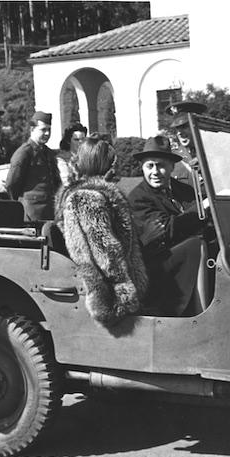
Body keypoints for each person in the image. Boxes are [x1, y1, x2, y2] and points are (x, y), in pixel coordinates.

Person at [55, 137, 148, 325]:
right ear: (102, 164)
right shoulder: (89, 197)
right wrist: (123, 291)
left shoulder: (90, 193)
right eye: (112, 161)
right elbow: (105, 251)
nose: (116, 165)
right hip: (109, 291)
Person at [128, 135, 209, 316]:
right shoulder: (138, 198)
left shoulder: (184, 190)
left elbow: (198, 218)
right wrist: (202, 208)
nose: (155, 172)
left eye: (161, 165)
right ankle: (201, 313)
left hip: (181, 258)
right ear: (142, 167)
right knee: (197, 245)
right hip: (157, 268)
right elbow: (167, 230)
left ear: (172, 167)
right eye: (150, 166)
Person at [6, 111, 61, 221]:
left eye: (49, 130)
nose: (47, 133)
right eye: (43, 129)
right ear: (32, 129)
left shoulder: (48, 153)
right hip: (33, 213)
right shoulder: (24, 153)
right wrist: (23, 202)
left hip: (50, 210)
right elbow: (12, 184)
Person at [167, 100, 207, 190]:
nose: (179, 133)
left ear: (197, 125)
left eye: (184, 126)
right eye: (177, 128)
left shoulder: (212, 152)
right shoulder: (173, 158)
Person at [56, 122, 88, 186]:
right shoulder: (62, 160)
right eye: (76, 140)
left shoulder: (88, 157)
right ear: (68, 141)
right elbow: (66, 182)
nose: (81, 142)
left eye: (83, 139)